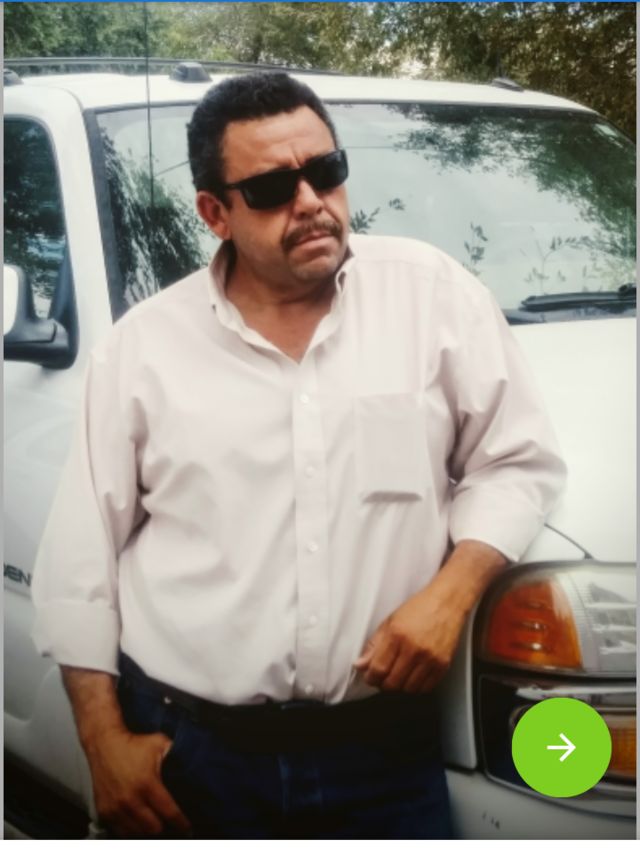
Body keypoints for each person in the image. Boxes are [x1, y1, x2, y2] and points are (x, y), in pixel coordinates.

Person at [32, 71, 566, 840]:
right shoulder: (142, 349)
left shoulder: (433, 298)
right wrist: (102, 739)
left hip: (384, 753)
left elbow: (516, 460)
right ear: (215, 212)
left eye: (326, 170)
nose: (311, 201)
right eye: (274, 187)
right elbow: (79, 562)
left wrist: (452, 593)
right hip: (191, 754)